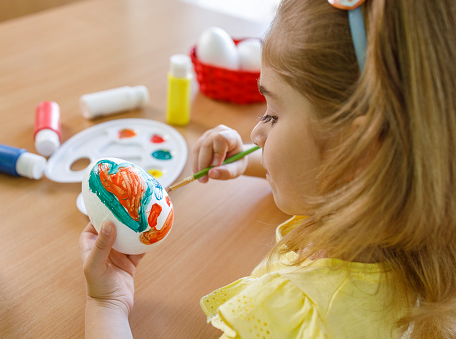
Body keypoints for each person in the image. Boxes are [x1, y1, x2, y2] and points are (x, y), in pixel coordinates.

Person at [79, 0, 456, 337]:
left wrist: (107, 304)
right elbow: (327, 172)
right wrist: (247, 161)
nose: (256, 132)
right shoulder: (429, 236)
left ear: (356, 151)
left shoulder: (292, 314)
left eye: (273, 115)